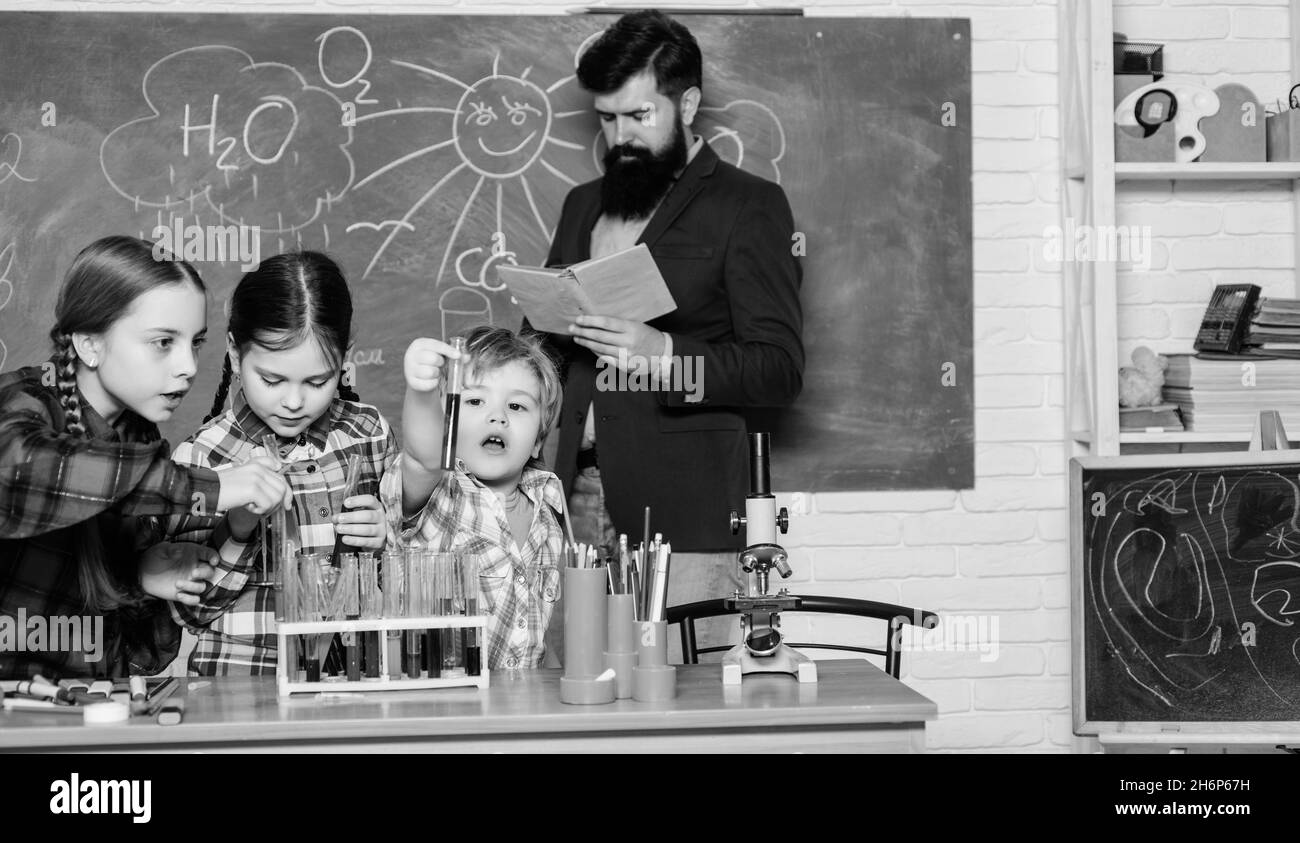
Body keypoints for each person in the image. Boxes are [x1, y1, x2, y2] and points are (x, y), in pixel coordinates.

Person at [543, 10, 804, 656]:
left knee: (683, 702)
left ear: (686, 104)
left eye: (639, 117)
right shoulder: (582, 205)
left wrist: (664, 355)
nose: (620, 137)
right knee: (568, 695)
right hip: (568, 501)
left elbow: (778, 370)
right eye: (607, 118)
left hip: (685, 519)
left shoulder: (749, 206)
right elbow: (548, 348)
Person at [0, 236, 290, 679]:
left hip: (81, 719)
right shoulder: (23, 404)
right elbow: (24, 470)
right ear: (88, 344)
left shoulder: (138, 438)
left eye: (195, 343)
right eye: (162, 342)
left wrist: (140, 580)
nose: (189, 366)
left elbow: (136, 658)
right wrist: (214, 488)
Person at [168, 252, 395, 676]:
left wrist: (386, 539)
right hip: (241, 693)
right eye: (272, 380)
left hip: (356, 684)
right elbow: (189, 614)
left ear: (346, 359)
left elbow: (419, 579)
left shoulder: (370, 435)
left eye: (317, 381)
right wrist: (238, 527)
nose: (293, 402)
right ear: (235, 355)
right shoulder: (200, 459)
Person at [380, 327, 566, 670]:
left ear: (538, 440)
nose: (498, 416)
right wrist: (421, 392)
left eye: (516, 405)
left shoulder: (548, 516)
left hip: (520, 713)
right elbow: (424, 456)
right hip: (444, 712)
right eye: (476, 401)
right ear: (445, 425)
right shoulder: (441, 494)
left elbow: (536, 639)